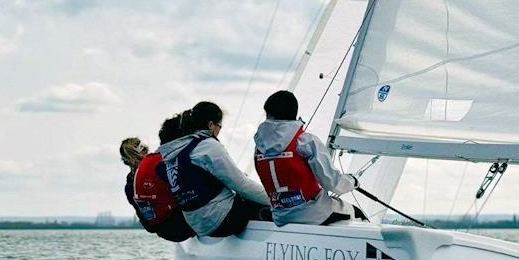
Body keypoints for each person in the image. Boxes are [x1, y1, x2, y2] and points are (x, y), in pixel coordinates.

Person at [253, 90, 366, 226]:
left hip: (280, 217)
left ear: (268, 114)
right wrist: (352, 181)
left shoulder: (258, 147)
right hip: (314, 214)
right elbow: (333, 184)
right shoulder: (305, 141)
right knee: (358, 214)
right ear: (294, 114)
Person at [159, 102, 270, 237]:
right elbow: (242, 185)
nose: (218, 131)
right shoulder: (207, 146)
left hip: (196, 225)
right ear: (211, 125)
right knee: (259, 203)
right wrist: (276, 201)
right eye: (219, 126)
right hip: (221, 221)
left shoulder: (177, 150)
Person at [120, 134, 194, 242]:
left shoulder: (129, 187)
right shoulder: (160, 165)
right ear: (145, 149)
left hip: (165, 232)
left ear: (126, 161)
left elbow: (149, 226)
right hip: (186, 224)